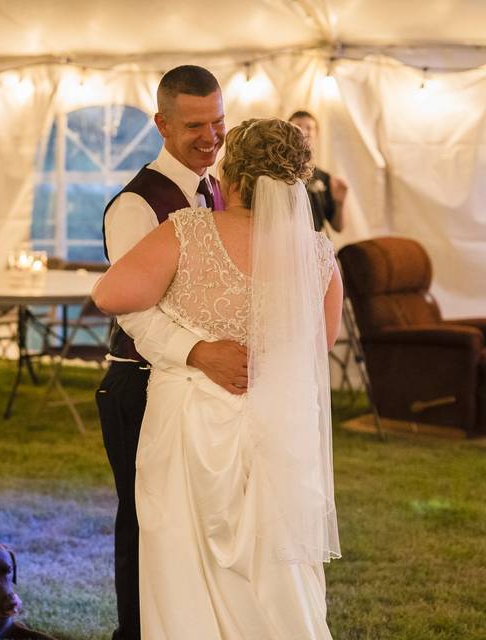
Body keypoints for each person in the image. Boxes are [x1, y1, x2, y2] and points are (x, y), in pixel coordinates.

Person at [92, 118, 344, 639]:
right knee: (271, 563)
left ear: (231, 175)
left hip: (191, 425)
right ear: (295, 182)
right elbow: (317, 350)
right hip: (274, 430)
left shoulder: (189, 231)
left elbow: (109, 296)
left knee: (183, 555)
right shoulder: (317, 256)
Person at [96, 65, 247, 640]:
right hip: (138, 383)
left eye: (219, 122)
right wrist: (200, 353)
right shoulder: (136, 206)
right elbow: (133, 309)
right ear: (161, 124)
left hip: (194, 390)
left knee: (194, 521)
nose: (211, 137)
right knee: (145, 522)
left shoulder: (219, 192)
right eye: (195, 126)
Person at [288, 110, 348, 233]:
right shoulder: (277, 172)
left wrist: (340, 203)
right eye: (298, 127)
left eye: (309, 128)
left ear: (316, 134)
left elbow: (338, 227)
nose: (303, 132)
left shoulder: (324, 177)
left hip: (314, 247)